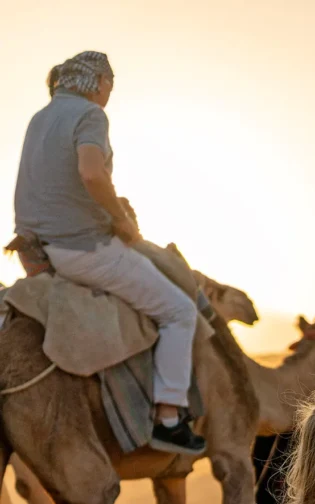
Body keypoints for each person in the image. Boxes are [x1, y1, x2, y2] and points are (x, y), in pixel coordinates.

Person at [13, 51, 205, 455]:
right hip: (84, 249)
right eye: (110, 86)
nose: (109, 95)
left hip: (42, 249)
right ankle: (169, 419)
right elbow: (91, 172)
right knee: (179, 311)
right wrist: (121, 219)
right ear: (98, 82)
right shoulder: (90, 115)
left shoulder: (40, 117)